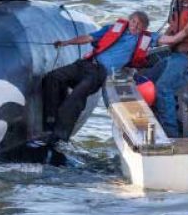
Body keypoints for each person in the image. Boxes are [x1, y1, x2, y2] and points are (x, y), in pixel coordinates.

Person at [41, 11, 154, 145]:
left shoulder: (144, 39)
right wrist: (66, 43)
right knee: (53, 78)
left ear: (144, 29)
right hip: (86, 64)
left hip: (100, 73)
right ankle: (50, 119)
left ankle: (59, 136)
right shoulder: (111, 29)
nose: (135, 26)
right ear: (129, 20)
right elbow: (88, 38)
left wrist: (182, 33)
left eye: (139, 25)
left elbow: (166, 39)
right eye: (134, 22)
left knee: (76, 96)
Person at [144, 0, 188, 137]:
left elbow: (179, 37)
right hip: (173, 54)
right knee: (145, 80)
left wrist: (155, 40)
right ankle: (155, 120)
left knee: (163, 87)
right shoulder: (177, 5)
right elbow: (171, 30)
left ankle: (171, 134)